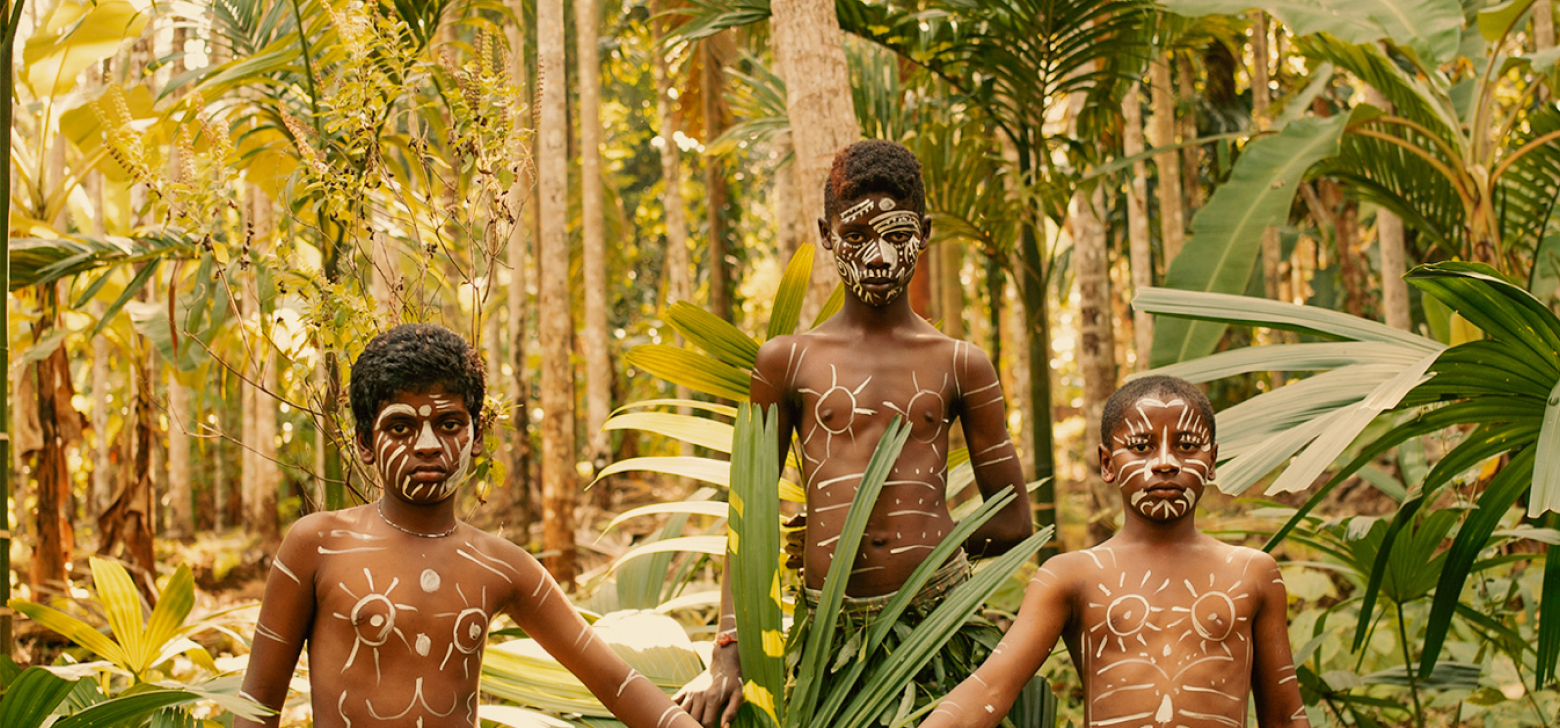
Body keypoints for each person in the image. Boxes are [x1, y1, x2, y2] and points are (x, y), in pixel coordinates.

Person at [675, 140, 1034, 728]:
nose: (876, 257)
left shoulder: (961, 364)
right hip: (828, 643)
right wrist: (728, 652)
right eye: (857, 235)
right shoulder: (785, 363)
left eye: (896, 236)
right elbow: (750, 518)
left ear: (923, 232)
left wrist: (932, 550)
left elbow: (1015, 520)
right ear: (825, 232)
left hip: (938, 631)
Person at [237, 324, 702, 728]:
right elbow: (258, 701)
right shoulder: (318, 545)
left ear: (476, 437)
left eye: (449, 423)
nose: (426, 444)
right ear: (364, 442)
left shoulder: (502, 567)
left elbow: (616, 682)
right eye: (400, 427)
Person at [917, 375, 1311, 728]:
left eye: (1187, 446)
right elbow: (990, 690)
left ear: (1211, 461)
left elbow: (1284, 717)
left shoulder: (1252, 572)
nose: (1165, 463)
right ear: (1107, 463)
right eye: (1140, 447)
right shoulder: (1071, 576)